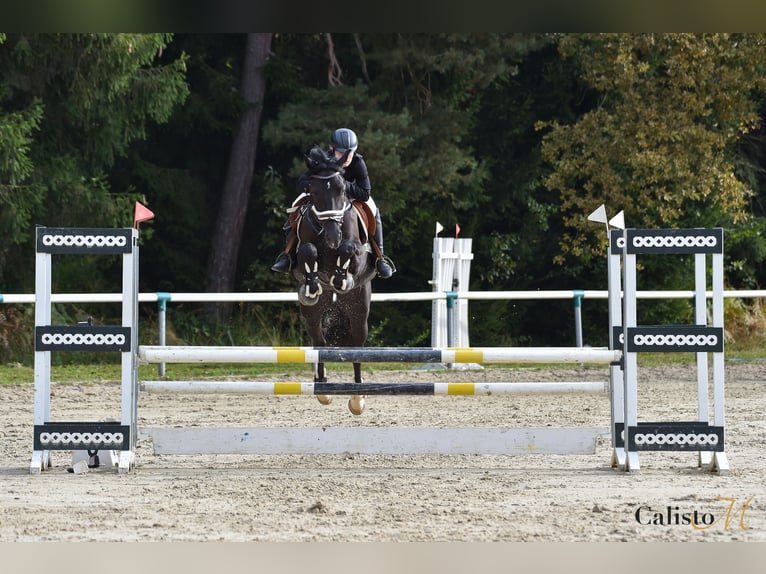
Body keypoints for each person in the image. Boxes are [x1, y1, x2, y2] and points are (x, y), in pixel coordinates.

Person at [271, 128, 395, 279]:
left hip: (351, 197)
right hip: (325, 198)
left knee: (373, 207)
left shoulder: (358, 162)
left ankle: (379, 258)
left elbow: (365, 192)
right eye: (342, 153)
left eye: (350, 152)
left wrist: (342, 185)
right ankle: (287, 256)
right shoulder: (322, 161)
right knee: (297, 204)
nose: (347, 157)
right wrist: (316, 187)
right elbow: (301, 182)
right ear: (332, 150)